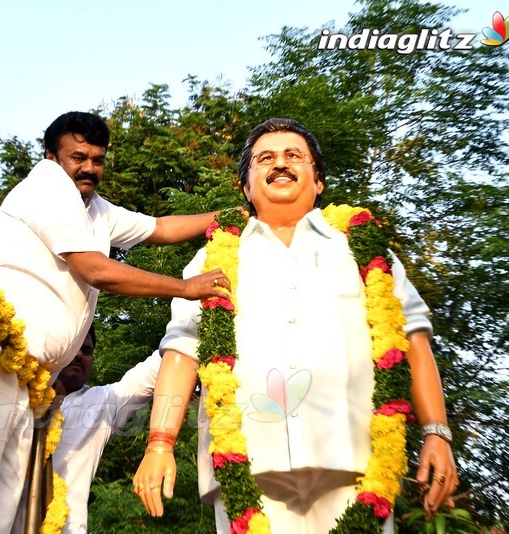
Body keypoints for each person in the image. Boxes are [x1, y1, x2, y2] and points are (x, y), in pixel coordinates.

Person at [133, 118, 459, 532]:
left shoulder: (364, 250)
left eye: (294, 156)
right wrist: (159, 442)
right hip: (246, 470)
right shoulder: (209, 260)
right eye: (264, 158)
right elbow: (182, 351)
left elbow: (412, 340)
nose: (280, 165)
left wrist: (437, 433)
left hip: (355, 462)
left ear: (318, 180)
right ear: (246, 188)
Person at [0, 111, 232, 533]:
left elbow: (160, 228)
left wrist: (233, 217)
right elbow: (96, 270)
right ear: (51, 157)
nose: (89, 167)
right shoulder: (46, 188)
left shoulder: (95, 209)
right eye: (78, 156)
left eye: (98, 159)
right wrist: (185, 286)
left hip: (30, 379)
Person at [13, 324, 162, 533]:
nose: (80, 356)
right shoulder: (14, 391)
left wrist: (194, 314)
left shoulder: (101, 403)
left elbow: (157, 367)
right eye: (74, 348)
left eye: (87, 351)